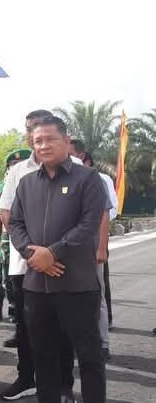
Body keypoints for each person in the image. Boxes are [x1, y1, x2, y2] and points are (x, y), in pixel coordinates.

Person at [10, 115, 109, 403]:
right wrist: (32, 254)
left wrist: (53, 252)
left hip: (78, 285)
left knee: (89, 354)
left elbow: (88, 225)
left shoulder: (88, 179)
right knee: (43, 353)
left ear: (66, 141)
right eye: (37, 141)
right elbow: (16, 225)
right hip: (37, 286)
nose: (43, 146)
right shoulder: (26, 184)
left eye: (50, 139)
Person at [0, 110, 76, 403]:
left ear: (60, 137)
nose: (37, 139)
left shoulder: (77, 168)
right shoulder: (18, 171)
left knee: (64, 327)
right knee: (26, 326)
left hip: (63, 263)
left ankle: (64, 384)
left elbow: (87, 217)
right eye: (32, 133)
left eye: (43, 134)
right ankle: (26, 377)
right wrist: (30, 252)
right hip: (25, 263)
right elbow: (7, 212)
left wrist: (52, 253)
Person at [73, 149, 117, 360]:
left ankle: (102, 342)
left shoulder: (96, 179)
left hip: (90, 249)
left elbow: (105, 213)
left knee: (95, 296)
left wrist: (101, 247)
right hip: (64, 251)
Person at [0, 150, 30, 325]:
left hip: (25, 238)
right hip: (5, 239)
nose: (15, 167)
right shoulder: (2, 187)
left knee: (18, 278)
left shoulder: (34, 183)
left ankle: (15, 309)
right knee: (1, 276)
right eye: (12, 164)